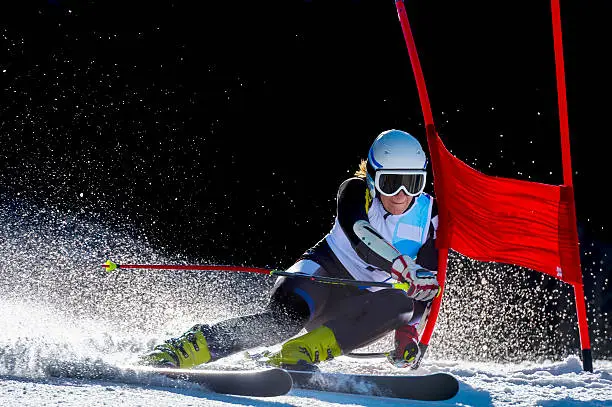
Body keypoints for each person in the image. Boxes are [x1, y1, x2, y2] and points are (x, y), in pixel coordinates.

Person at [140, 129, 440, 370]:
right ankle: (192, 346)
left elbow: (428, 279)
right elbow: (361, 236)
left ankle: (299, 354)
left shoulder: (430, 216)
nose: (401, 195)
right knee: (283, 322)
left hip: (359, 307)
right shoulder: (355, 191)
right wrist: (403, 266)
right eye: (391, 183)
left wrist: (409, 332)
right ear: (373, 177)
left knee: (403, 305)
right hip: (321, 275)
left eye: (413, 183)